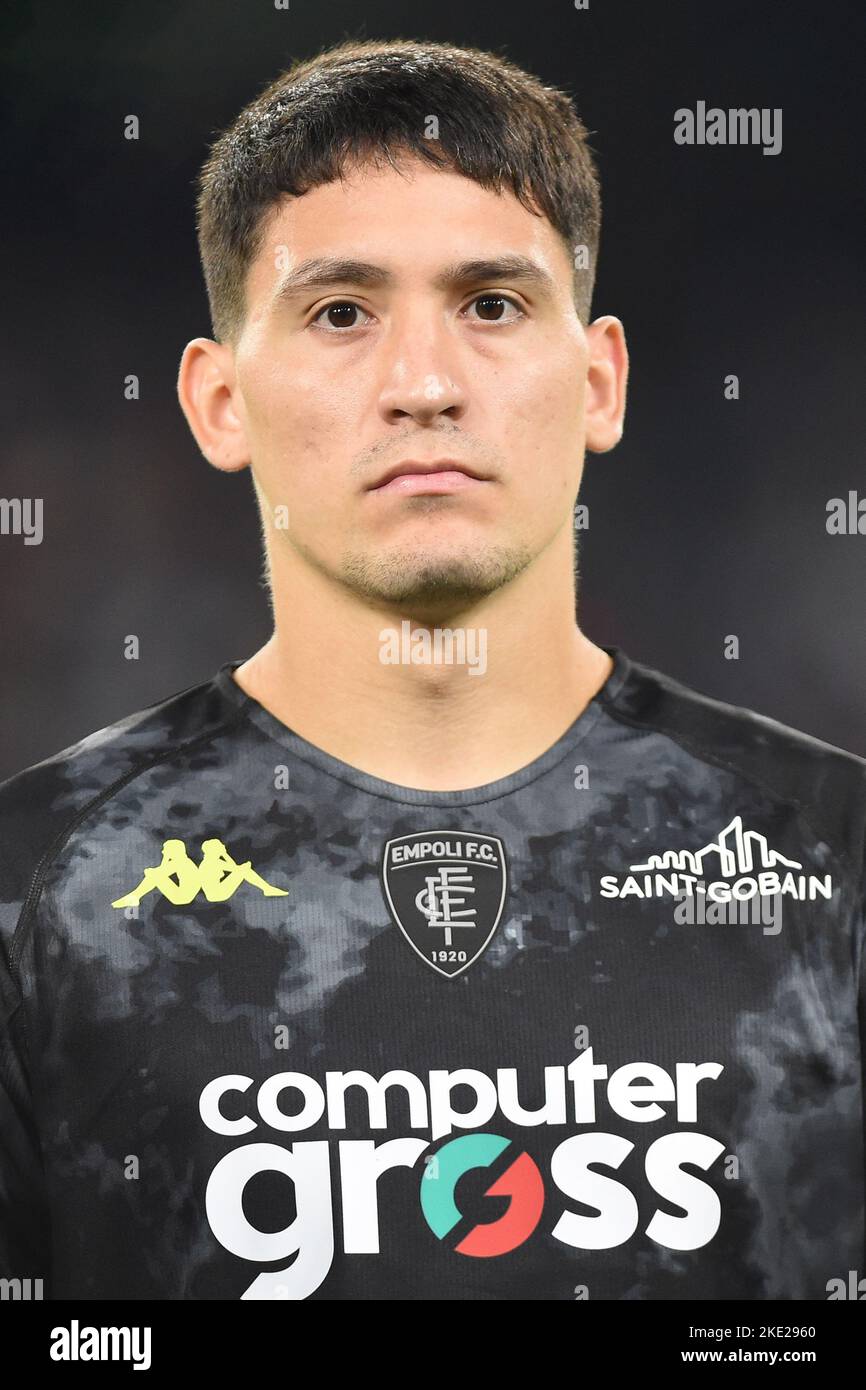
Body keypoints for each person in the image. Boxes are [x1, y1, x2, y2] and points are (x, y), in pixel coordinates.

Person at [0, 37, 863, 1303]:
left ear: (598, 380)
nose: (422, 385)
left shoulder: (832, 857)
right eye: (340, 311)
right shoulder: (34, 890)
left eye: (492, 304)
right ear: (218, 400)